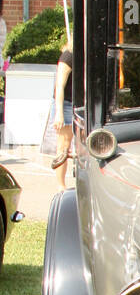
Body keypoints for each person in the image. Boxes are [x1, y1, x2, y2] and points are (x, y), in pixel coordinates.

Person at [51, 38, 74, 189]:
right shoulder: (68, 56)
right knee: (63, 147)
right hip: (66, 104)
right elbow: (59, 85)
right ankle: (60, 186)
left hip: (79, 104)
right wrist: (59, 113)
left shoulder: (82, 57)